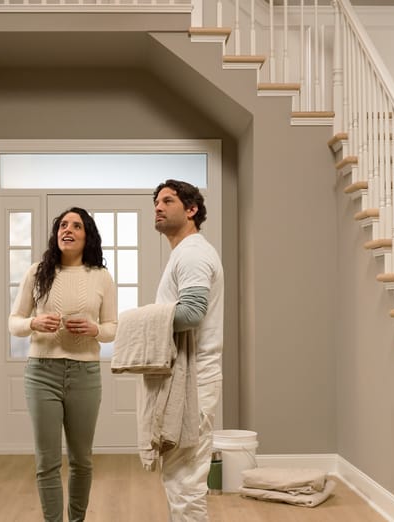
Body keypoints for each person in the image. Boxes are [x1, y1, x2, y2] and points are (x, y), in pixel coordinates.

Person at [8, 207, 118, 522]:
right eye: (62, 225)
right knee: (47, 461)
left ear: (88, 236)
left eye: (76, 225)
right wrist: (34, 323)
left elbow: (112, 327)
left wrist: (95, 329)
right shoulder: (37, 272)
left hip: (85, 374)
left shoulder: (100, 276)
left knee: (82, 461)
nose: (67, 230)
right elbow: (14, 322)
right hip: (42, 373)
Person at [152, 179, 224, 520]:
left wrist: (139, 320)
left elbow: (192, 314)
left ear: (191, 210)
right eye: (156, 202)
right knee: (179, 476)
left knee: (186, 479)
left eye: (168, 201)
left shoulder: (193, 253)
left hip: (195, 381)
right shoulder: (185, 252)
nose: (158, 207)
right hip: (188, 377)